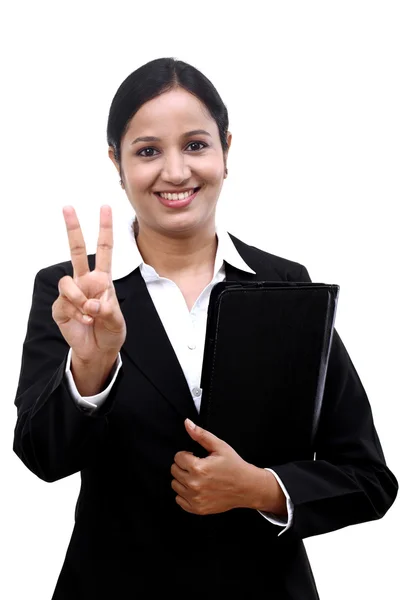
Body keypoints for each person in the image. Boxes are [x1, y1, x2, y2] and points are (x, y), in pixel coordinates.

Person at [13, 57, 398, 599]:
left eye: (196, 145)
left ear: (226, 150)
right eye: (148, 151)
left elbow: (367, 478)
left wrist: (263, 488)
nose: (175, 172)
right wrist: (91, 368)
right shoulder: (75, 292)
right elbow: (42, 460)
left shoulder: (285, 285)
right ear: (117, 164)